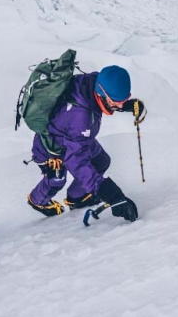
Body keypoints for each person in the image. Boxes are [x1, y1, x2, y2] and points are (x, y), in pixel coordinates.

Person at [27, 65, 146, 222]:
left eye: (124, 100)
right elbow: (77, 163)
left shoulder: (93, 83)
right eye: (117, 101)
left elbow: (110, 94)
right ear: (102, 94)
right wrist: (113, 195)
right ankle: (37, 201)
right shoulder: (81, 118)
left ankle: (76, 198)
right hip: (51, 148)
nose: (121, 105)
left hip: (76, 138)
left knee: (101, 161)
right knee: (56, 180)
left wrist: (127, 105)